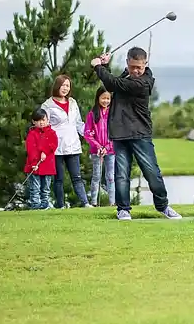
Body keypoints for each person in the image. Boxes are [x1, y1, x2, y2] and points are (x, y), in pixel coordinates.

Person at [90, 47, 182, 220]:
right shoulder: (127, 76)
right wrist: (105, 66)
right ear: (127, 63)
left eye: (139, 67)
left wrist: (98, 66)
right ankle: (123, 209)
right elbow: (113, 83)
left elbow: (114, 84)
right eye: (132, 67)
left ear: (145, 64)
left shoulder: (144, 82)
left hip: (140, 133)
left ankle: (163, 206)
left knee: (151, 172)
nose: (136, 71)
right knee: (121, 174)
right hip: (120, 133)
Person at [41, 75, 92, 208]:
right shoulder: (47, 105)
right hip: (56, 147)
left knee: (77, 177)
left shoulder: (73, 102)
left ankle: (85, 203)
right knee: (59, 179)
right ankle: (60, 205)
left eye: (67, 86)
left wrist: (89, 135)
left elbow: (78, 123)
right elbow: (44, 127)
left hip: (73, 145)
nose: (65, 88)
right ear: (57, 86)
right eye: (63, 85)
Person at [84, 86, 116, 207]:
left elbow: (115, 134)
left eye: (108, 98)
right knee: (96, 176)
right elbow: (87, 133)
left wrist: (107, 147)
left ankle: (112, 202)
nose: (105, 101)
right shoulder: (92, 114)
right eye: (103, 98)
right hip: (96, 151)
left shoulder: (113, 114)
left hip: (110, 151)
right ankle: (94, 202)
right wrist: (98, 146)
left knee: (110, 176)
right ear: (98, 98)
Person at [24, 108, 59, 209]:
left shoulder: (51, 133)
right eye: (38, 120)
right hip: (35, 166)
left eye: (43, 120)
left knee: (45, 188)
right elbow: (31, 150)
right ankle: (35, 205)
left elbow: (54, 144)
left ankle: (44, 205)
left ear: (47, 120)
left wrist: (45, 151)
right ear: (33, 122)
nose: (41, 122)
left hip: (47, 166)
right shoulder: (32, 134)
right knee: (35, 188)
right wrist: (33, 163)